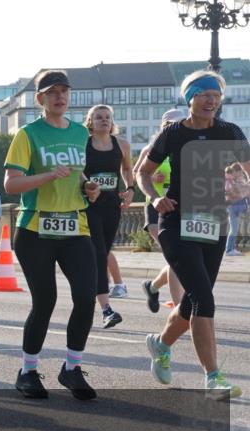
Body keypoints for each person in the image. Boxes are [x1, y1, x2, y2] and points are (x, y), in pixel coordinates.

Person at [140, 69, 250, 400]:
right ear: (190, 99)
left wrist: (240, 185)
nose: (211, 100)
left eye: (216, 95)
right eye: (204, 94)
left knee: (192, 300)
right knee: (204, 296)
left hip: (213, 223)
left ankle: (161, 344)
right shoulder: (173, 134)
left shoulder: (230, 131)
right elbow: (144, 173)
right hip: (176, 221)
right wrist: (155, 197)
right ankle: (213, 378)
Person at [3, 70, 101, 400]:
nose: (60, 96)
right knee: (45, 301)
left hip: (75, 226)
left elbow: (77, 173)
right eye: (52, 92)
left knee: (87, 298)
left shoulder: (78, 133)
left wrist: (89, 186)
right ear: (40, 99)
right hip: (35, 229)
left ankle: (72, 369)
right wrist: (45, 176)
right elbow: (11, 184)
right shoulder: (28, 134)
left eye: (64, 91)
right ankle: (28, 371)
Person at [82, 105, 134, 329]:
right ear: (90, 122)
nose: (104, 120)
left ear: (112, 121)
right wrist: (87, 183)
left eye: (107, 117)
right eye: (99, 117)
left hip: (112, 205)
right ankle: (107, 309)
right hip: (89, 204)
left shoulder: (121, 144)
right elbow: (76, 169)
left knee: (101, 253)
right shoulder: (83, 145)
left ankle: (93, 295)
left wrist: (130, 189)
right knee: (99, 253)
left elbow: (127, 169)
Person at [134, 109, 187, 312]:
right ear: (162, 126)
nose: (174, 127)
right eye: (169, 124)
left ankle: (152, 286)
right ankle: (180, 309)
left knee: (177, 258)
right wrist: (152, 177)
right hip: (156, 207)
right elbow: (137, 173)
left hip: (179, 206)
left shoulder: (187, 148)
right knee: (176, 258)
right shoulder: (152, 148)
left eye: (178, 123)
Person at [224, 162, 249, 256]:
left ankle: (230, 249)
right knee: (234, 229)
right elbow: (230, 192)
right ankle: (230, 249)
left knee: (234, 228)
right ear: (235, 171)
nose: (241, 174)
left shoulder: (231, 179)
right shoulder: (230, 180)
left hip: (232, 206)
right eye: (240, 172)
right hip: (232, 206)